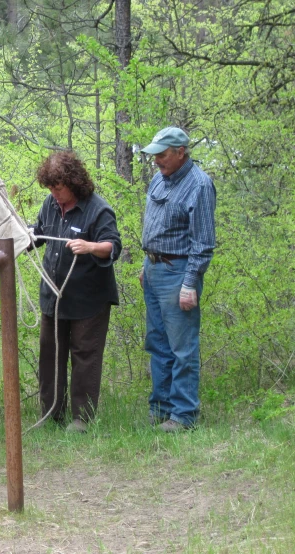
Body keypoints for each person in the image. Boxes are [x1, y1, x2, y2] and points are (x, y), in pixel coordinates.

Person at [30, 150, 122, 433]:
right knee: (50, 355)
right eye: (51, 188)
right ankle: (51, 415)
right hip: (53, 298)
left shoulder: (98, 209)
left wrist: (90, 246)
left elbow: (113, 246)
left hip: (88, 301)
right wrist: (26, 236)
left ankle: (82, 419)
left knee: (84, 357)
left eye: (59, 188)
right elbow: (39, 232)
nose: (55, 194)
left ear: (74, 182)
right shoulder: (49, 204)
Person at [140, 127, 216, 432]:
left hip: (179, 274)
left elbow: (203, 242)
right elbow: (155, 225)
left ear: (180, 151)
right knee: (157, 343)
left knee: (182, 348)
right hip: (154, 269)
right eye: (155, 154)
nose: (156, 160)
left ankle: (184, 415)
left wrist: (189, 283)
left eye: (162, 154)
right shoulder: (159, 178)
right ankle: (161, 408)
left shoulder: (199, 185)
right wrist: (148, 263)